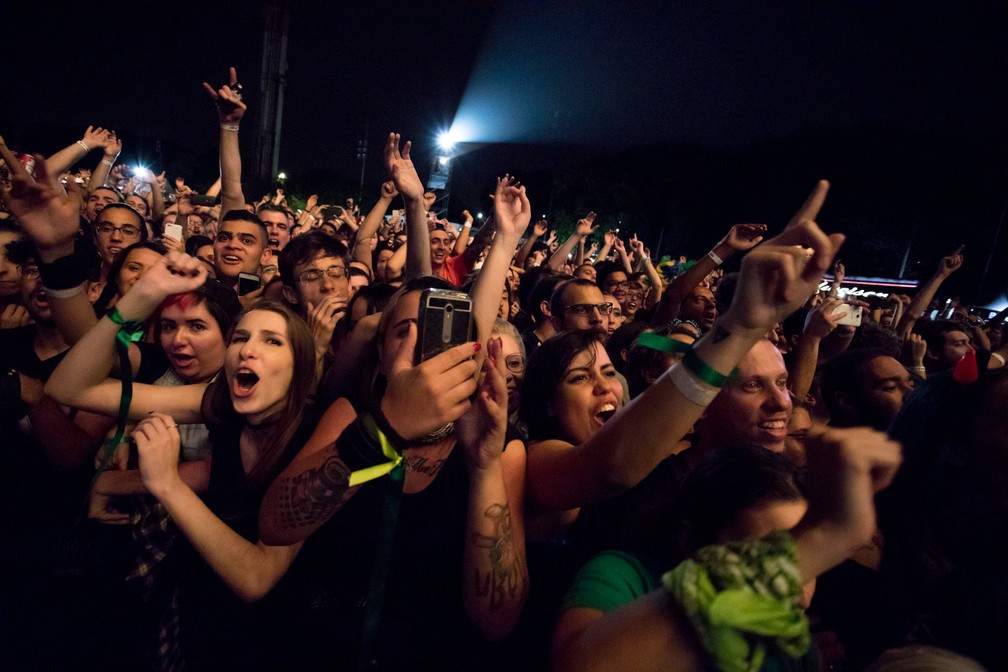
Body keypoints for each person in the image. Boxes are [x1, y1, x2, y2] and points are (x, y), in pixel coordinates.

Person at [46, 251, 320, 668]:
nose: (248, 350)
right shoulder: (219, 402)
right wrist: (141, 298)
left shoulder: (313, 437)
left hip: (274, 637)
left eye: (272, 341)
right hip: (198, 611)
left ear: (299, 365)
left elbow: (256, 578)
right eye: (241, 338)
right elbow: (69, 388)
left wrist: (165, 483)